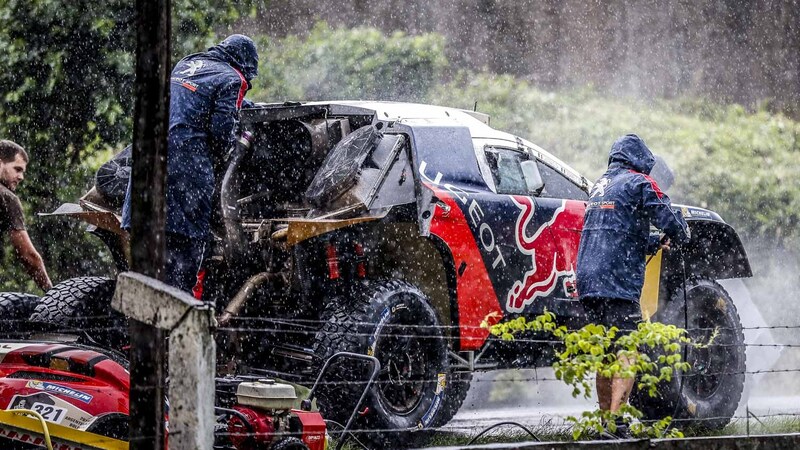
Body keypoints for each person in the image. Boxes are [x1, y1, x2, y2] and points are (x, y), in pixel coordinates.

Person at [122, 34, 259, 292]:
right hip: (186, 174)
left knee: (149, 265)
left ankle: (142, 323)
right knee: (182, 264)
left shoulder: (186, 63)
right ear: (245, 66)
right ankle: (174, 325)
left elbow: (191, 101)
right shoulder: (233, 78)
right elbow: (221, 136)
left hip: (147, 165)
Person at [576, 134, 689, 425]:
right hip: (617, 283)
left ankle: (605, 424)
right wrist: (680, 232)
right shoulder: (640, 182)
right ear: (640, 159)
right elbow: (667, 218)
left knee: (604, 353)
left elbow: (616, 230)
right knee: (627, 350)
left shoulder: (600, 187)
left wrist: (652, 244)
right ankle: (617, 424)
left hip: (589, 281)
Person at [0, 140, 53, 292]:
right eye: (17, 169)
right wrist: (53, 296)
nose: (21, 176)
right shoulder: (6, 197)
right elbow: (28, 256)